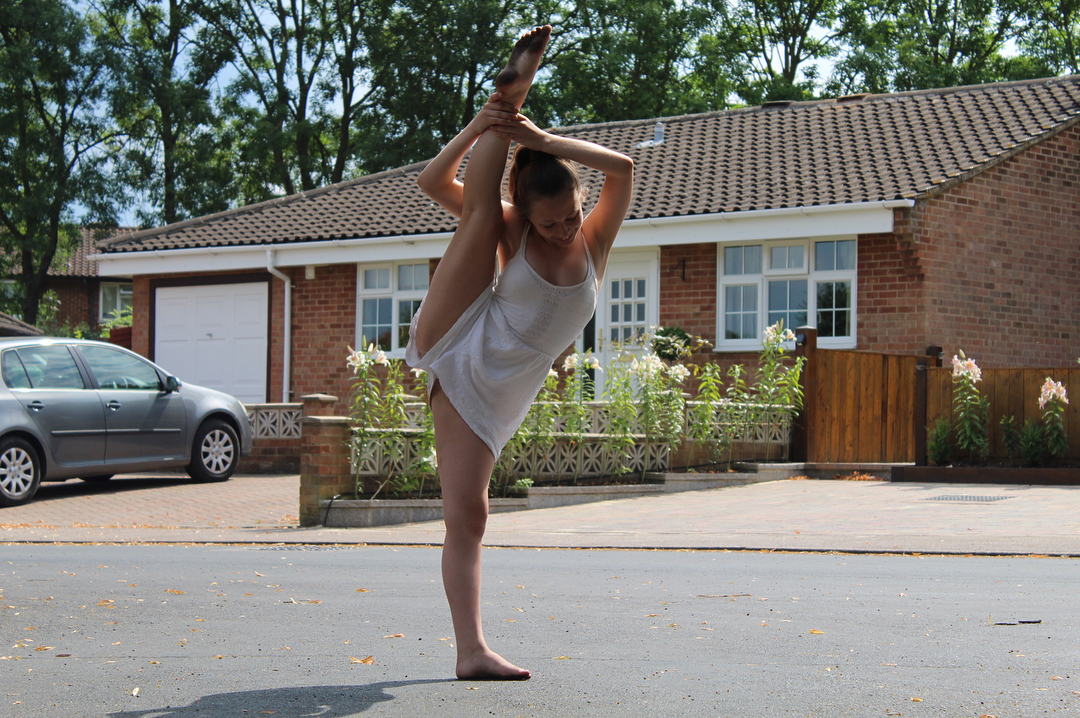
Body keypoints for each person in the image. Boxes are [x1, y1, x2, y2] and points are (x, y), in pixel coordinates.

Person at [405, 24, 634, 680]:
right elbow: (432, 182)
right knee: (466, 516)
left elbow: (622, 168)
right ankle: (471, 651)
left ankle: (509, 104)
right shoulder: (515, 228)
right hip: (462, 346)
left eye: (571, 216)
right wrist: (484, 127)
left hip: (506, 387)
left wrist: (545, 141)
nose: (563, 230)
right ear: (530, 217)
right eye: (549, 222)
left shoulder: (594, 241)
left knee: (474, 515)